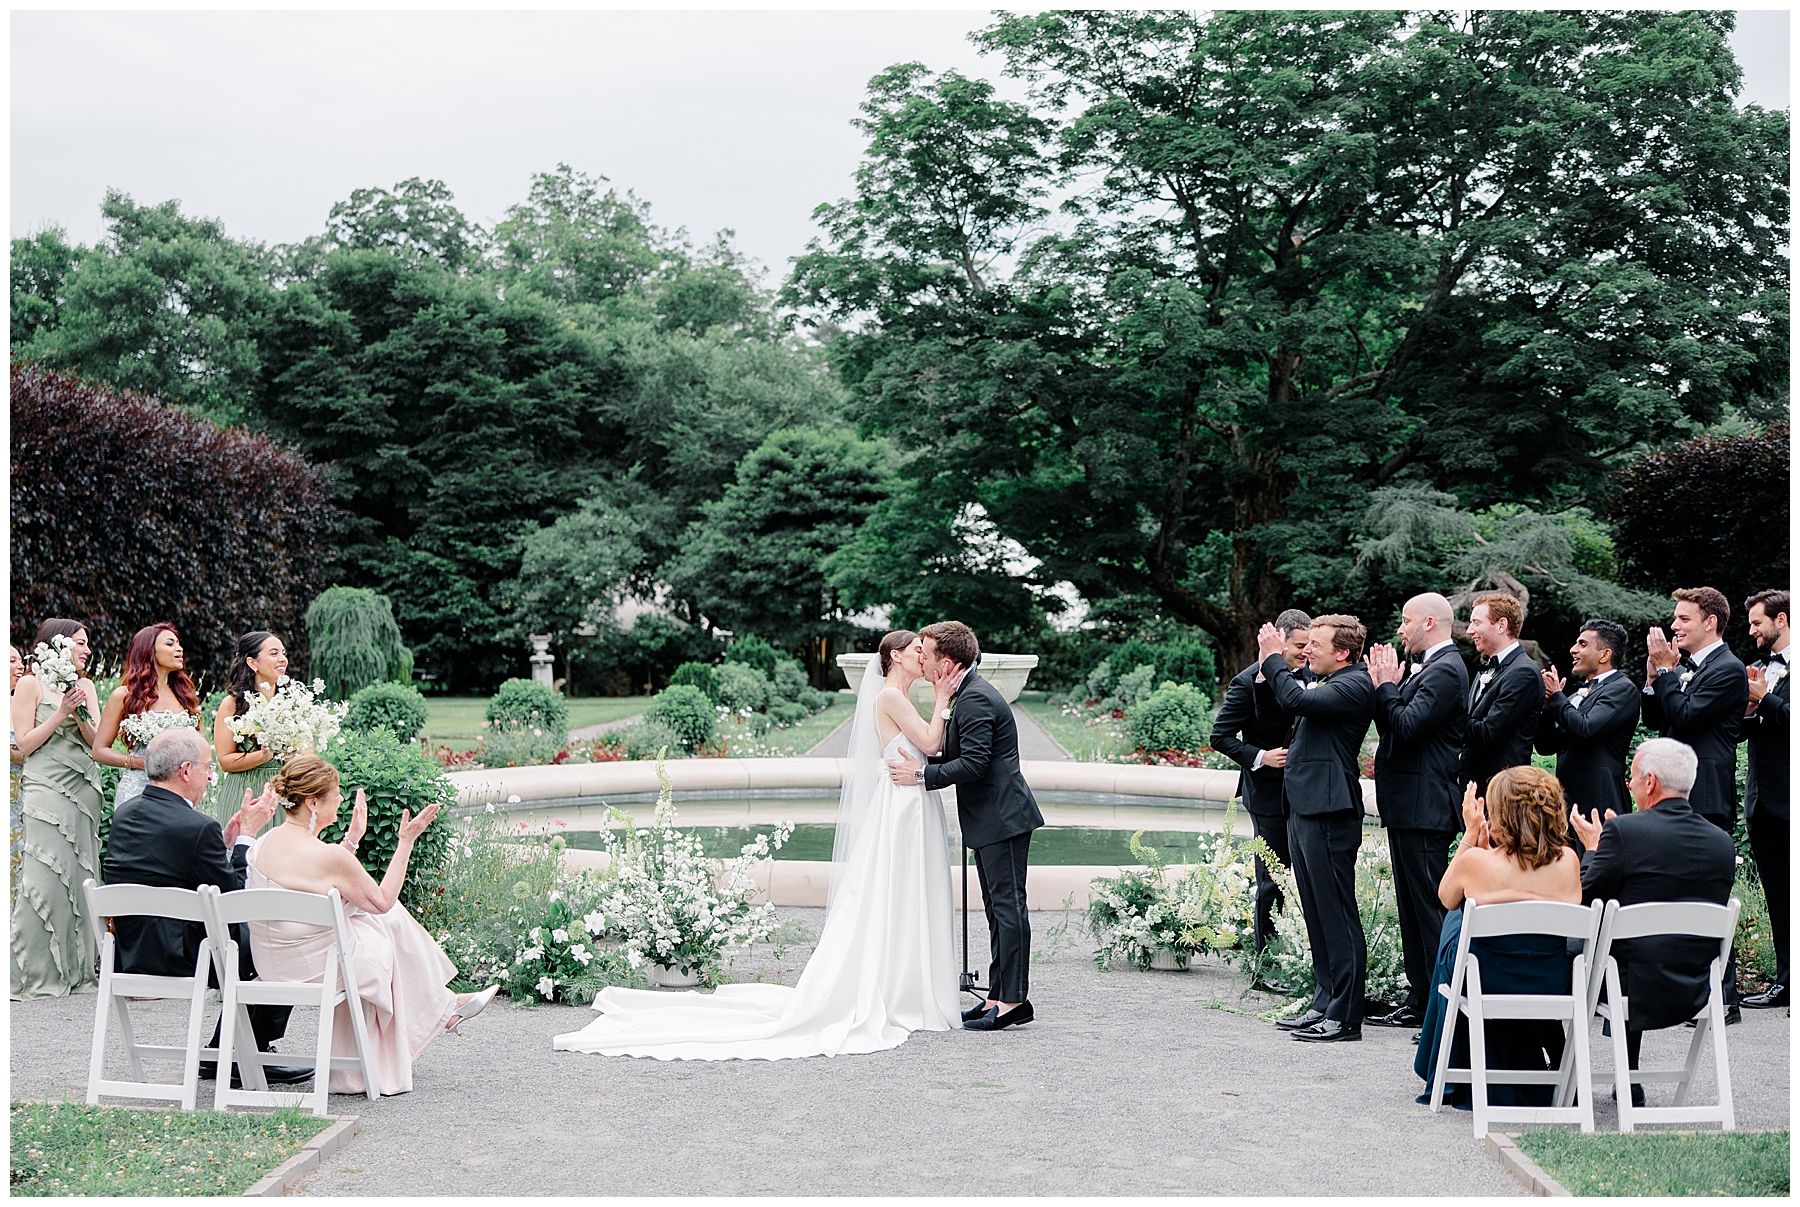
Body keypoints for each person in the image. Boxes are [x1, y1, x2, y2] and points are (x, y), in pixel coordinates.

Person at [555, 629, 963, 1059]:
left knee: (902, 895)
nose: (926, 658)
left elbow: (925, 749)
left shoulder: (900, 697)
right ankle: (898, 990)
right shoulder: (891, 697)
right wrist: (943, 697)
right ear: (896, 656)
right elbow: (932, 742)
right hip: (901, 809)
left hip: (909, 803)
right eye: (918, 650)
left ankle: (904, 983)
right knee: (895, 893)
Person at [246, 754, 493, 1094]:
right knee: (385, 921)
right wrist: (406, 840)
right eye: (336, 794)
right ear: (313, 801)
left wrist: (351, 841)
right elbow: (382, 900)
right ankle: (442, 1006)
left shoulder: (263, 844)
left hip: (273, 963)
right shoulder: (328, 856)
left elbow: (318, 877)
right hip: (316, 969)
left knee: (373, 926)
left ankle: (445, 1005)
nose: (342, 800)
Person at [101, 728, 311, 1086]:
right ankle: (248, 1052)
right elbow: (234, 899)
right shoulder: (197, 827)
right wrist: (246, 837)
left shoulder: (126, 813)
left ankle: (223, 1052)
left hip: (131, 952)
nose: (210, 775)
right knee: (281, 945)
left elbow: (168, 868)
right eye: (207, 767)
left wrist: (225, 844)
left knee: (261, 943)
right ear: (186, 770)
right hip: (187, 958)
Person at [890, 620, 1044, 1032]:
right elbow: (960, 754)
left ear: (947, 662)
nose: (921, 659)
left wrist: (922, 777)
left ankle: (1012, 1002)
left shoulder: (975, 699)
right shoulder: (965, 692)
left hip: (1003, 818)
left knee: (1008, 909)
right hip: (992, 819)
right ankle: (997, 995)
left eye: (927, 653)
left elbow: (974, 764)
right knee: (997, 910)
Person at [1568, 738, 1737, 1103]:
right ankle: (1626, 1076)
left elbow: (1585, 897)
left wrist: (1596, 849)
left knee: (1581, 947)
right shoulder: (1722, 842)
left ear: (1650, 782)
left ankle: (1562, 1069)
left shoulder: (1624, 832)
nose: (1627, 785)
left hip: (1630, 983)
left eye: (1631, 777)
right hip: (1696, 984)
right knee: (1638, 943)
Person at [1414, 766, 1583, 1106]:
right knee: (1469, 932)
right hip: (1548, 980)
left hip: (1484, 980)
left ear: (1501, 814)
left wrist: (1470, 835)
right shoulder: (1568, 860)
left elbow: (1446, 897)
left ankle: (1442, 1065)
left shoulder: (1475, 862)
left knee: (1455, 922)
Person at [1254, 613, 1375, 1042]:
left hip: (1330, 812)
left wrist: (1272, 657)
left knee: (1338, 915)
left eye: (1315, 647)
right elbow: (1289, 694)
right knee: (1318, 914)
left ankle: (1345, 1017)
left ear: (1342, 653)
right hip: (1306, 808)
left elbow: (1297, 701)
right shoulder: (1328, 678)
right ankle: (1324, 1001)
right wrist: (1270, 664)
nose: (1306, 653)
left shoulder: (1355, 684)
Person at [1365, 592, 1469, 1031]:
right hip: (1409, 805)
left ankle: (1441, 1007)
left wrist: (1386, 686)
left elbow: (1405, 728)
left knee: (1429, 908)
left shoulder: (1446, 670)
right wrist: (1385, 689)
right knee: (1411, 908)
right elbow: (1395, 724)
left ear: (1429, 623)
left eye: (1405, 621)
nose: (1399, 629)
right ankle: (1419, 997)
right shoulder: (1431, 668)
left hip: (1426, 807)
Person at [1640, 586, 1747, 1015]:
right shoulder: (1683, 667)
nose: (1674, 626)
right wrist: (1654, 680)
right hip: (1675, 793)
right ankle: (1687, 993)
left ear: (1711, 623)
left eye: (1684, 619)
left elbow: (1683, 717)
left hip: (1706, 791)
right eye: (1675, 618)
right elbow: (1657, 718)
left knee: (1709, 896)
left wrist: (1667, 675)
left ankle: (1724, 998)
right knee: (1673, 891)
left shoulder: (1728, 668)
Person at [9, 618, 104, 1000]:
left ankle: (78, 971)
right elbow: (25, 744)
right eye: (80, 643)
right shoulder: (30, 684)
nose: (86, 650)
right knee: (44, 875)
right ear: (57, 645)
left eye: (87, 644)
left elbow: (98, 740)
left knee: (81, 876)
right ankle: (32, 970)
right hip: (45, 787)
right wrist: (61, 710)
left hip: (83, 788)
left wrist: (80, 711)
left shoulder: (87, 686)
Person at [1210, 607, 1310, 969]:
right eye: (1300, 645)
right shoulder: (1245, 682)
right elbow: (1218, 737)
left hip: (1305, 792)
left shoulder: (1314, 676)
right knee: (1272, 879)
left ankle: (1301, 955)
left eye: (1310, 645)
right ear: (1277, 642)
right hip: (1267, 793)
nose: (1306, 652)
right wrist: (1260, 756)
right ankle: (1265, 963)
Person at [1536, 620, 1639, 840]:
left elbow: (1585, 729)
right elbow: (1546, 746)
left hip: (1600, 801)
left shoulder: (1622, 689)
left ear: (1604, 655)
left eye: (1582, 644)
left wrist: (1556, 699)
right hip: (1569, 802)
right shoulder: (1575, 696)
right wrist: (1546, 706)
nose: (1573, 649)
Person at [92, 623, 204, 815]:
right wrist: (135, 762)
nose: (179, 648)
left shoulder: (184, 697)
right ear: (149, 651)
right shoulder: (125, 696)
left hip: (179, 792)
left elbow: (200, 747)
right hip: (139, 791)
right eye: (170, 644)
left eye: (178, 643)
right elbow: (99, 750)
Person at [1741, 589, 1789, 1008]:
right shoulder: (1757, 670)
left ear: (1783, 619)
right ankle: (1786, 980)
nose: (1752, 630)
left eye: (1758, 623)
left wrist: (1764, 699)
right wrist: (1746, 708)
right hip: (1763, 800)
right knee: (1777, 893)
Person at [1458, 592, 1543, 794]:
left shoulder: (1523, 672)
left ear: (1501, 625)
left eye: (1476, 623)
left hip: (1503, 789)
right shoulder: (1488, 668)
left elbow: (1488, 733)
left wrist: (1449, 712)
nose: (1470, 631)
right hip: (1478, 785)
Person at [212, 631, 290, 831]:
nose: (282, 659)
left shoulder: (294, 704)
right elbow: (225, 760)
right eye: (274, 653)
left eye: (283, 653)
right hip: (245, 792)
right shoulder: (232, 704)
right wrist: (262, 756)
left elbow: (308, 754)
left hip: (285, 794)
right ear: (252, 663)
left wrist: (294, 758)